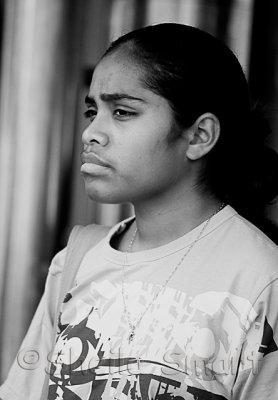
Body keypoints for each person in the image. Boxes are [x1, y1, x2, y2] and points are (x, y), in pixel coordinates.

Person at [1, 23, 278, 400]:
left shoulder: (261, 280)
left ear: (199, 136)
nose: (91, 133)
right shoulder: (77, 261)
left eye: (122, 112)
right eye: (92, 111)